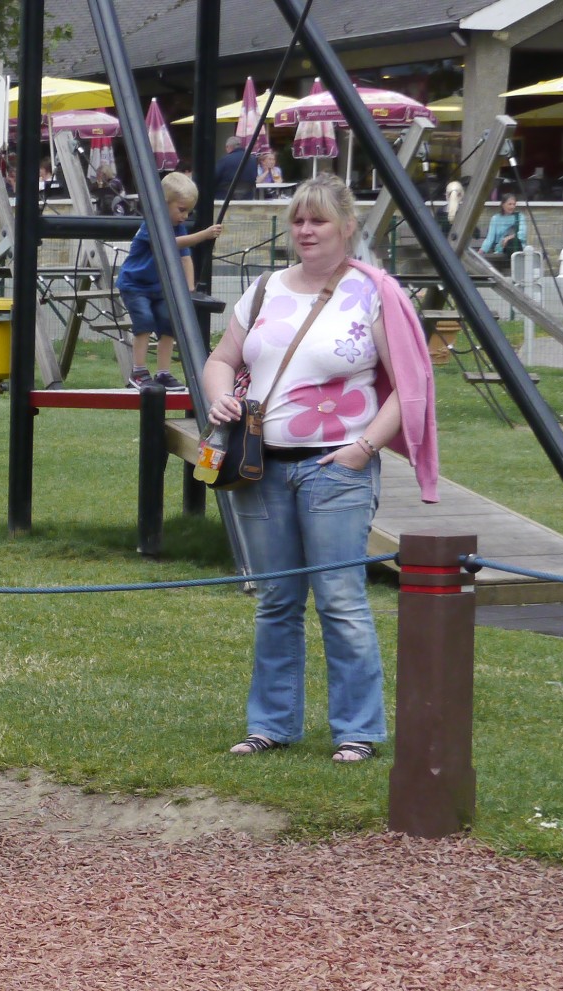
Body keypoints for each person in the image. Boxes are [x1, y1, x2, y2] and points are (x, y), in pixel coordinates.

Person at [202, 174, 440, 766]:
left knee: (340, 600)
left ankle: (357, 731)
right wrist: (218, 396)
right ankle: (271, 725)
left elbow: (410, 386)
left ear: (347, 227)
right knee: (276, 600)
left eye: (319, 221)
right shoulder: (263, 290)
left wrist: (363, 448)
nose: (306, 231)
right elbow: (221, 359)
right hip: (260, 467)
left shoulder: (374, 293)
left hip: (335, 468)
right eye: (298, 221)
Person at [118, 172, 223, 388]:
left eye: (189, 211)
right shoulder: (151, 225)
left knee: (168, 324)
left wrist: (190, 289)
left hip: (160, 287)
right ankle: (138, 371)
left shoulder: (178, 227)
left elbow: (185, 259)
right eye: (181, 210)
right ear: (163, 203)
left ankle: (163, 373)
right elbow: (171, 243)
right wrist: (203, 235)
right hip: (135, 285)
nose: (185, 216)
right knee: (144, 321)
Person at [477, 192, 529, 261]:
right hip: (501, 248)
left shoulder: (519, 216)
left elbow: (523, 234)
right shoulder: (495, 218)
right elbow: (490, 238)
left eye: (514, 204)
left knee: (512, 243)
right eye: (509, 204)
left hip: (517, 247)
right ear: (503, 205)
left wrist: (508, 238)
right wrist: (482, 250)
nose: (512, 207)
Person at [211, 134, 256, 200]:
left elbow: (213, 178)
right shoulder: (253, 160)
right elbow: (254, 177)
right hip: (247, 198)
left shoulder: (224, 160)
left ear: (228, 147)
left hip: (224, 198)